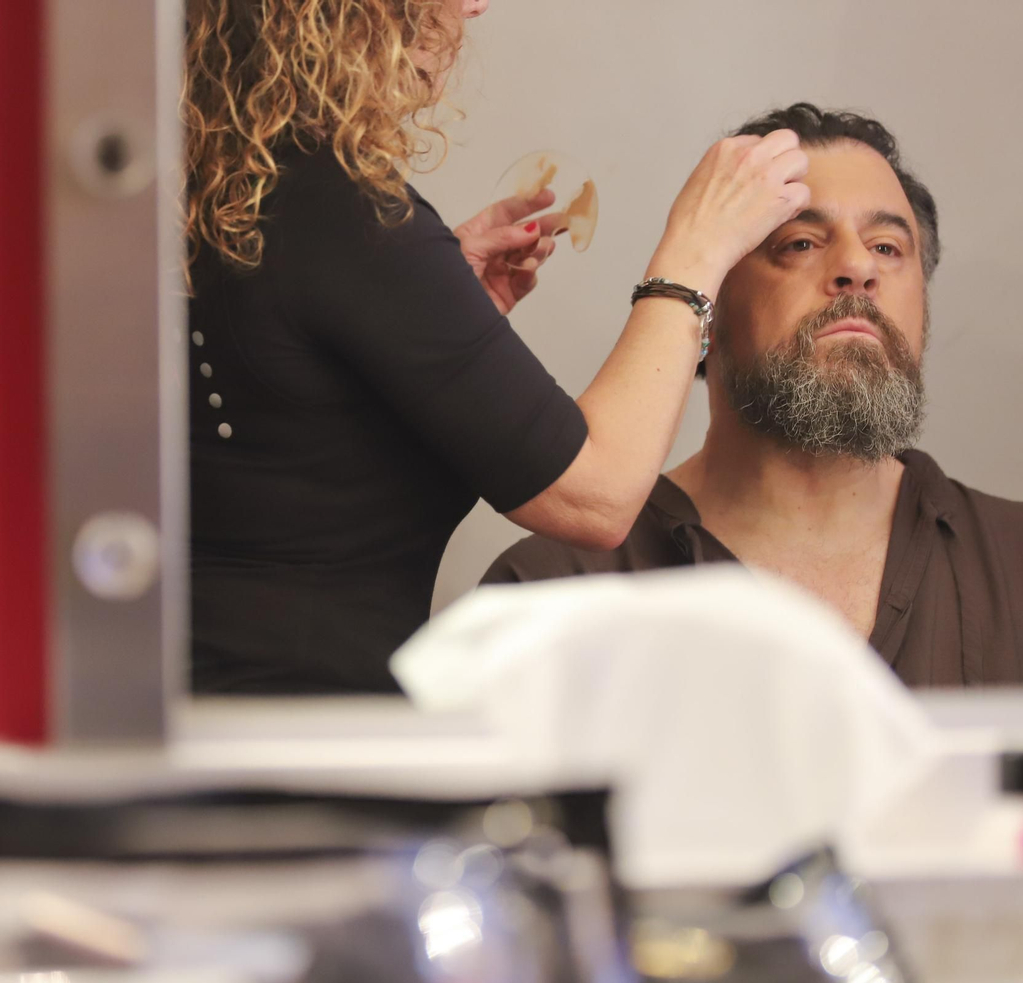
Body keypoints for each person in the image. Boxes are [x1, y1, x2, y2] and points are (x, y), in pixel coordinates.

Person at [185, 0, 812, 693]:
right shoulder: (344, 211)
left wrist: (418, 317)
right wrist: (697, 249)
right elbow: (596, 498)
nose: (475, 4)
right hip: (297, 750)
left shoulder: (229, 190)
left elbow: (285, 446)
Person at [485, 103, 1023, 686]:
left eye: (888, 246)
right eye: (800, 243)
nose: (859, 268)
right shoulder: (553, 598)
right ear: (702, 310)